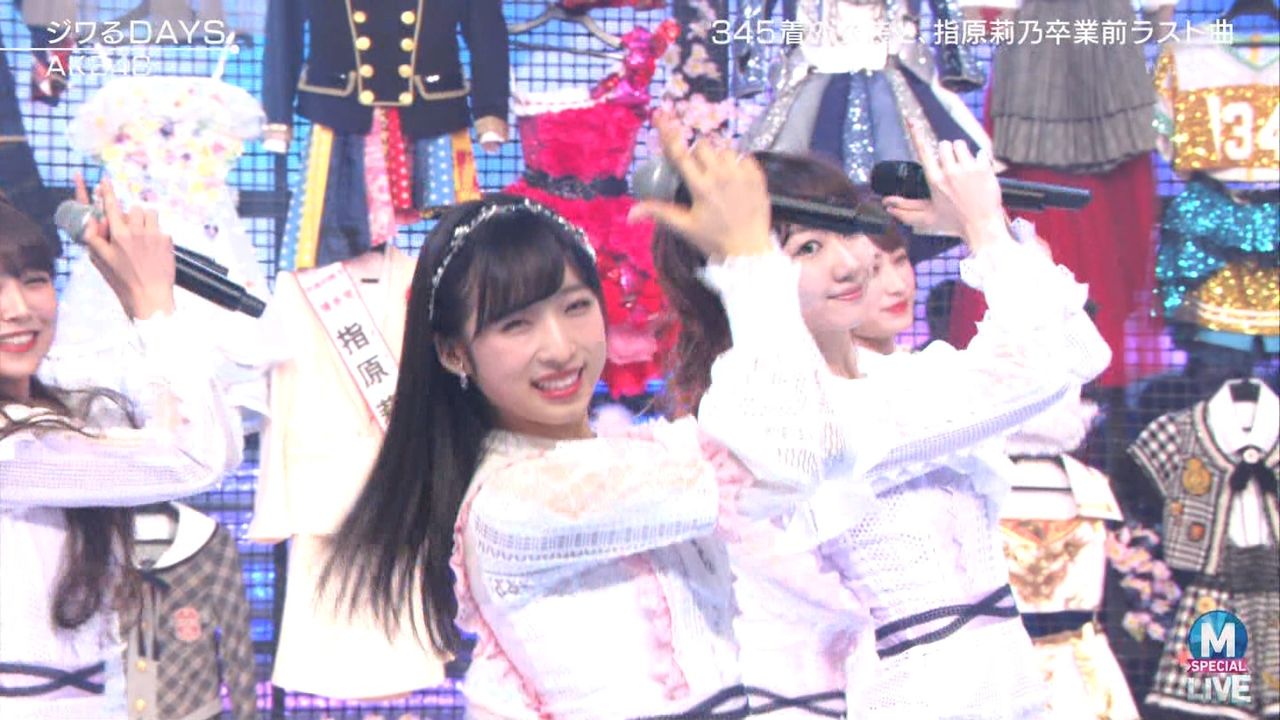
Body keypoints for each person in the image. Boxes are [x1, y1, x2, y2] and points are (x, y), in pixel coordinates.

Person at [323, 116, 842, 719]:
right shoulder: (515, 500)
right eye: (516, 324)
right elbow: (776, 463)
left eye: (575, 307)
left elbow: (817, 448)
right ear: (454, 352)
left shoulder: (646, 455)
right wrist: (748, 261)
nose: (560, 348)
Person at [651, 130, 1112, 718]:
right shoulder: (755, 408)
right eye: (807, 249)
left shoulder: (904, 377)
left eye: (847, 231)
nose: (850, 263)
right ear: (738, 271)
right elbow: (1039, 364)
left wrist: (983, 228)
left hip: (1016, 695)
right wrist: (984, 230)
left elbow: (1076, 353)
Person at [0, 180, 239, 716]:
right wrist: (152, 303)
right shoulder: (14, 448)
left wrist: (137, 297)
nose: (17, 308)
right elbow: (193, 459)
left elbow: (208, 439)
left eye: (34, 280)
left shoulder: (70, 409)